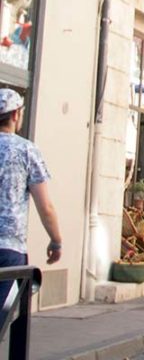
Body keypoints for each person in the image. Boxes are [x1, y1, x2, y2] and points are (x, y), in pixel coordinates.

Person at [0, 90, 61, 329]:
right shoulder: (26, 150)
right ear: (16, 114)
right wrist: (56, 241)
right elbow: (45, 206)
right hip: (10, 250)